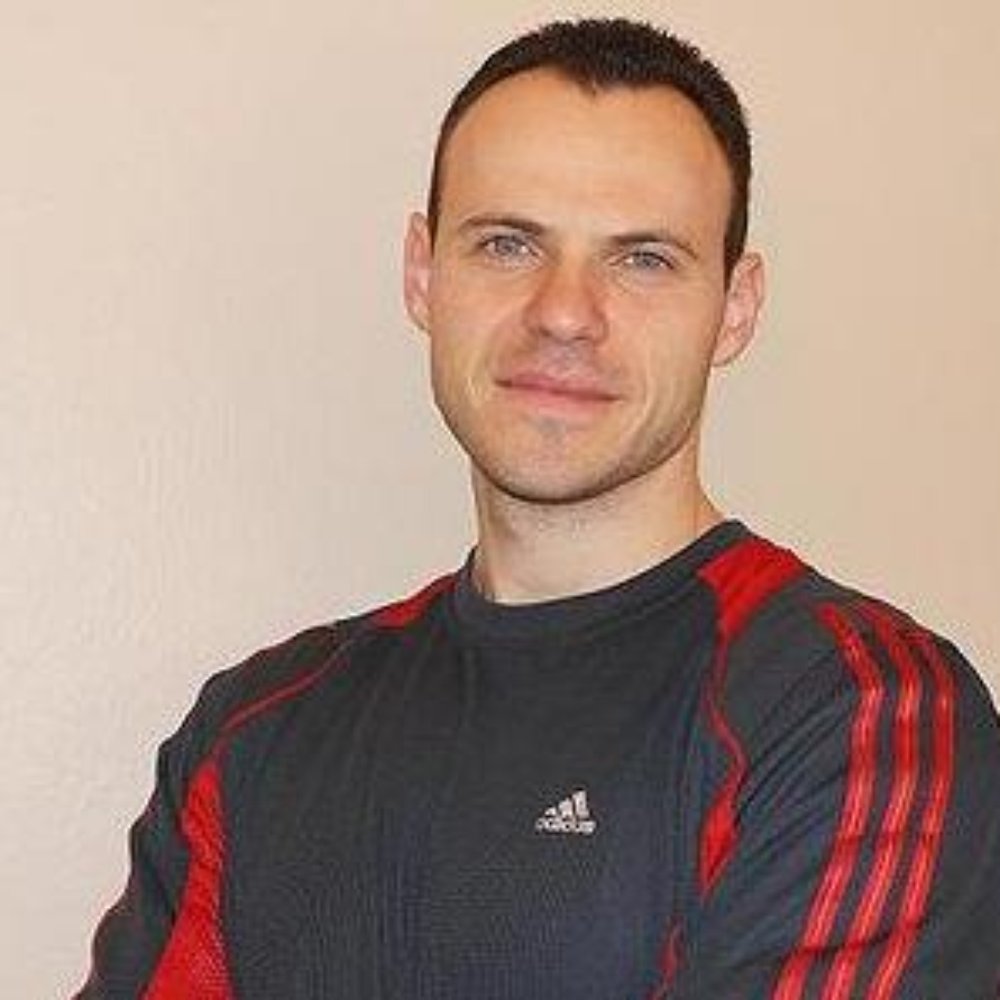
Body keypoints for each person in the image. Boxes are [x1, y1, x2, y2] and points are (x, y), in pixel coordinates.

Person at [77, 17, 1000, 999]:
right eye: (508, 244)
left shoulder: (863, 709)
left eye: (643, 259)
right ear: (423, 274)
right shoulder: (254, 731)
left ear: (734, 307)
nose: (564, 312)